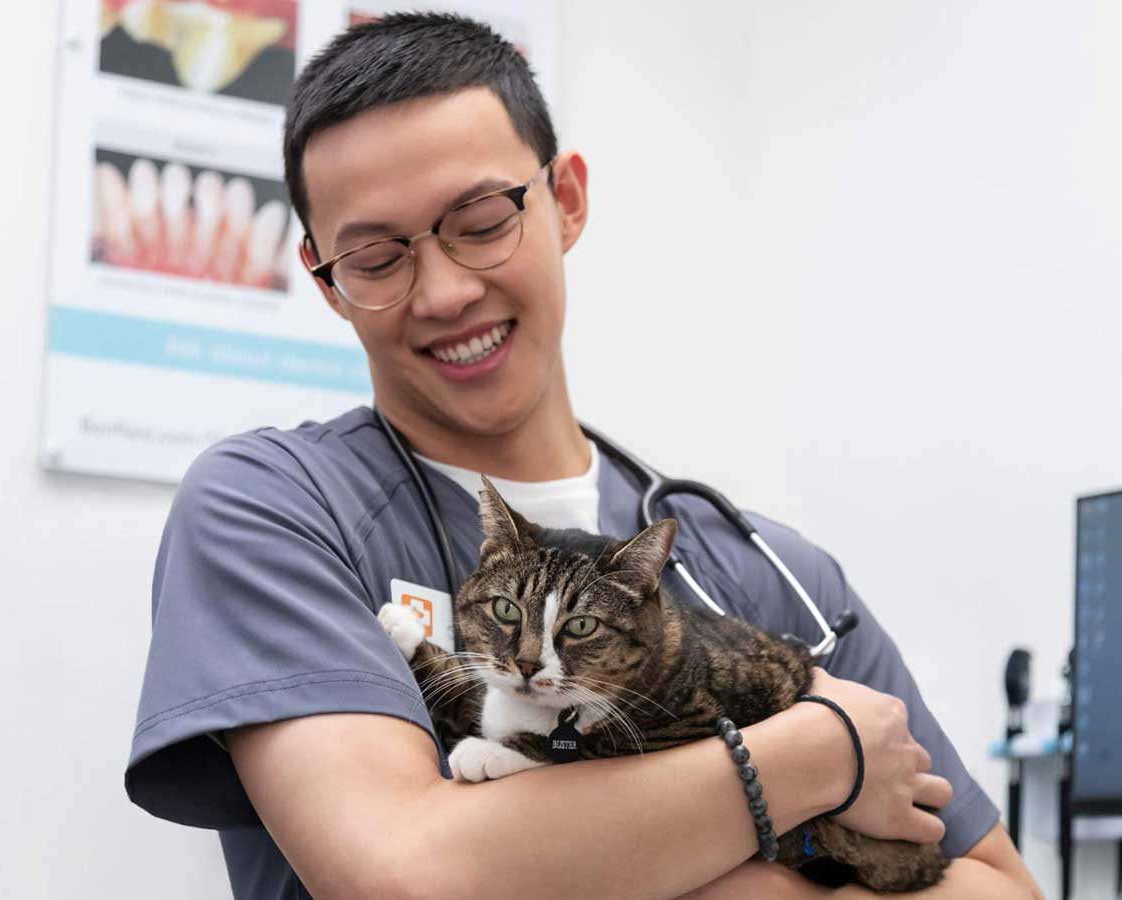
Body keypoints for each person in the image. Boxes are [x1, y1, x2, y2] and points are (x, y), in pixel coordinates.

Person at [125, 12, 1042, 900]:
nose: (444, 292)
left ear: (565, 202)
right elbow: (405, 876)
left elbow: (1001, 887)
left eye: (481, 222)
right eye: (376, 259)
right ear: (327, 280)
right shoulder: (275, 511)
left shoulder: (772, 575)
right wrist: (813, 756)